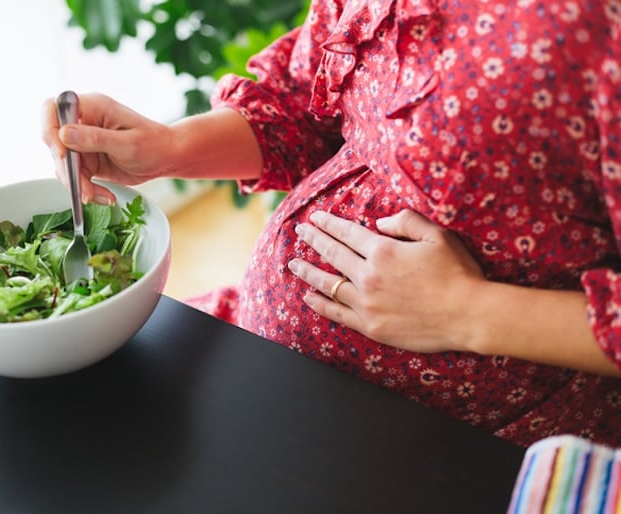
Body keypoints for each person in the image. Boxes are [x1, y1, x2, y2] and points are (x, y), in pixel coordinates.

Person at [42, 0, 621, 447]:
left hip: (462, 447)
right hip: (266, 361)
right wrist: (167, 148)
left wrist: (464, 312)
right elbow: (306, 103)